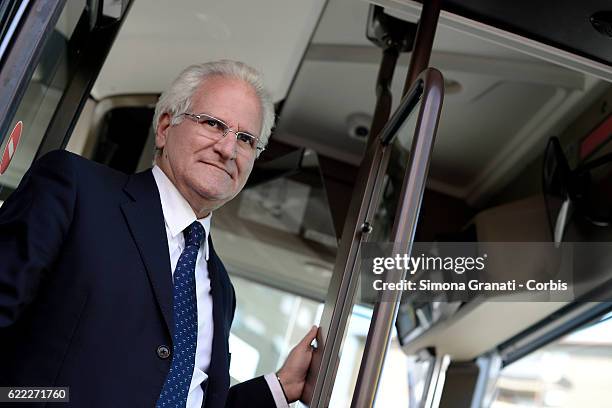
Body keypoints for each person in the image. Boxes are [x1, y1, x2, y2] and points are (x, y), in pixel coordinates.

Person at [0, 60, 318, 407]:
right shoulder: (76, 190)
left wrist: (279, 388)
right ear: (165, 126)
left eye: (245, 139)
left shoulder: (221, 287)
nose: (228, 149)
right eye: (213, 124)